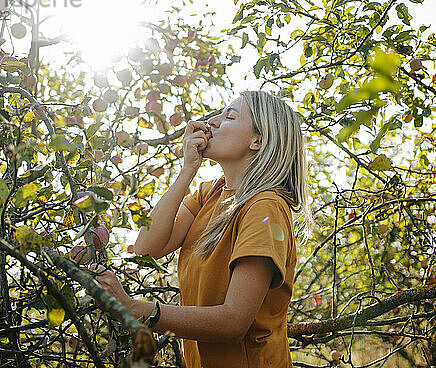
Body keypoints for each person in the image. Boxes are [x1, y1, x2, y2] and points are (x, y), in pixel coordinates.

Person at [93, 90, 312, 367]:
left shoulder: (265, 207)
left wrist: (136, 308)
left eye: (229, 116)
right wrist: (187, 169)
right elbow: (146, 249)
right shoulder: (211, 194)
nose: (213, 122)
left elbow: (233, 322)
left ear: (258, 140)